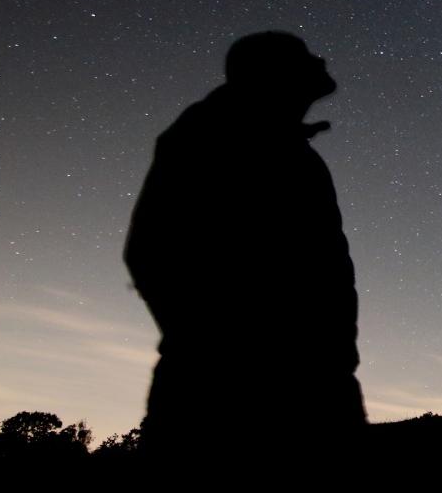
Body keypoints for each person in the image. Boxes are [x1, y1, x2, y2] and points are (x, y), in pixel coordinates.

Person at [124, 31, 366, 476]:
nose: (321, 59)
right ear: (275, 74)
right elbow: (150, 250)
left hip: (316, 387)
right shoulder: (209, 135)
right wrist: (214, 349)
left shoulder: (291, 150)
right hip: (226, 396)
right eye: (305, 56)